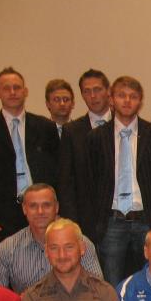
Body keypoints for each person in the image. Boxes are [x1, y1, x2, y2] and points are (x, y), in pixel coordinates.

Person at [87, 76, 151, 286]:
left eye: (133, 96)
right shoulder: (96, 137)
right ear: (111, 99)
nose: (127, 101)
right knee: (112, 282)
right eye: (121, 95)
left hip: (146, 218)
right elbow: (91, 180)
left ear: (140, 101)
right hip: (112, 220)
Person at [0, 67, 60, 253]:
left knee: (46, 262)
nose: (12, 92)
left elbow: (58, 172)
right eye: (6, 88)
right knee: (5, 266)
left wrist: (58, 210)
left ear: (25, 91)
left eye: (17, 87)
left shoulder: (46, 127)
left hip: (41, 210)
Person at [0, 183, 101, 294]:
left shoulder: (80, 243)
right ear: (24, 209)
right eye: (33, 206)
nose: (40, 211)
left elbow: (98, 290)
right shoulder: (6, 249)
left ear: (56, 207)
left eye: (46, 205)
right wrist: (20, 300)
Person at [57, 69, 112, 236]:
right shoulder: (72, 131)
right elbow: (66, 181)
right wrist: (71, 221)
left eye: (97, 89)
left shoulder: (124, 125)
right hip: (86, 219)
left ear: (108, 91)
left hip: (121, 217)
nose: (93, 96)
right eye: (87, 91)